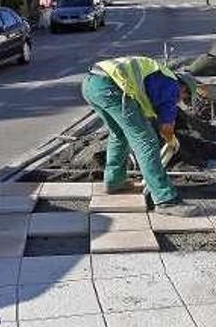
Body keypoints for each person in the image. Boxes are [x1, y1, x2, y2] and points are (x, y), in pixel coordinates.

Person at [81, 56, 200, 217]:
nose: (180, 101)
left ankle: (114, 182)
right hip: (110, 87)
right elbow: (166, 127)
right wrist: (171, 140)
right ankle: (165, 200)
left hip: (91, 84)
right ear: (183, 88)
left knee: (119, 134)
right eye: (184, 97)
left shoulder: (160, 77)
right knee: (146, 141)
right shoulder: (171, 86)